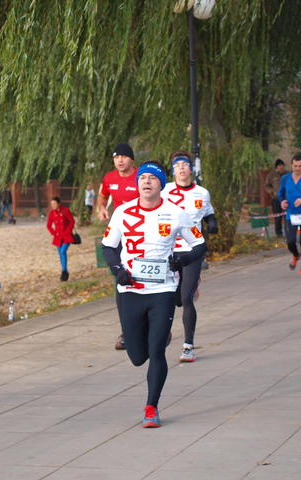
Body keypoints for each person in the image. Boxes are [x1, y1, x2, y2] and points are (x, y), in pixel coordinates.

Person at [102, 161, 206, 427]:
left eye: (152, 178)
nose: (146, 181)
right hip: (130, 290)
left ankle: (151, 408)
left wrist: (180, 260)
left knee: (156, 351)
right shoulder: (122, 212)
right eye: (142, 178)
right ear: (137, 183)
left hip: (163, 290)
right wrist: (117, 270)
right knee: (137, 357)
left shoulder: (176, 213)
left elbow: (199, 244)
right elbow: (109, 247)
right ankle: (156, 336)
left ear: (161, 184)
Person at [161, 151, 217, 363]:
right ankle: (163, 330)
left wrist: (212, 222)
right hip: (169, 249)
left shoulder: (202, 193)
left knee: (186, 298)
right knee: (172, 299)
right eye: (177, 165)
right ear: (173, 170)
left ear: (191, 168)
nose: (182, 168)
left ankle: (188, 346)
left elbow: (208, 212)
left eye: (185, 164)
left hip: (193, 249)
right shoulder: (164, 190)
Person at [97, 143, 139, 349]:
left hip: (142, 235)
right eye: (116, 157)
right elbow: (102, 195)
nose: (120, 160)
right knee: (121, 282)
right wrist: (102, 208)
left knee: (146, 281)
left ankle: (157, 325)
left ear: (132, 159)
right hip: (119, 235)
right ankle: (126, 332)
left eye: (124, 156)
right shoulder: (109, 178)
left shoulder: (142, 177)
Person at [46, 197, 75, 281]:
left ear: (59, 203)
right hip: (58, 237)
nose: (53, 205)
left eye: (54, 204)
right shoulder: (52, 213)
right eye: (51, 204)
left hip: (66, 236)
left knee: (63, 252)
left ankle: (64, 271)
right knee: (61, 254)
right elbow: (48, 225)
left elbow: (72, 221)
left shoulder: (65, 210)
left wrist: (68, 231)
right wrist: (53, 233)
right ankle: (64, 271)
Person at [265, 159, 286, 237]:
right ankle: (278, 233)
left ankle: (288, 232)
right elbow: (267, 186)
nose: (281, 167)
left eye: (282, 165)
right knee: (277, 217)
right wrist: (272, 192)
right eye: (279, 165)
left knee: (287, 217)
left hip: (286, 199)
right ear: (276, 166)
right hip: (276, 199)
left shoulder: (287, 174)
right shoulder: (271, 175)